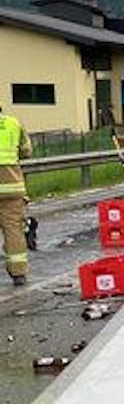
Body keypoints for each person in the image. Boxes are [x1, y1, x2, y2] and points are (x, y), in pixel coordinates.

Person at [0, 105, 33, 285]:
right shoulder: (14, 123)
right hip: (11, 187)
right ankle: (18, 273)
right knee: (13, 231)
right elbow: (26, 151)